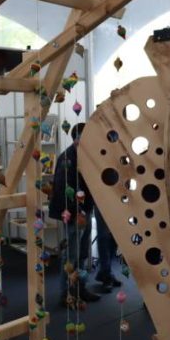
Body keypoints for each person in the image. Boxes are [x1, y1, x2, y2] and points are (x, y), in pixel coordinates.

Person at [48, 123, 100, 306]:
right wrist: (78, 212)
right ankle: (66, 294)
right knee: (71, 254)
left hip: (85, 211)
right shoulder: (67, 159)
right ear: (78, 139)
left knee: (83, 252)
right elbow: (63, 189)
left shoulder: (86, 157)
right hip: (73, 214)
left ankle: (80, 288)